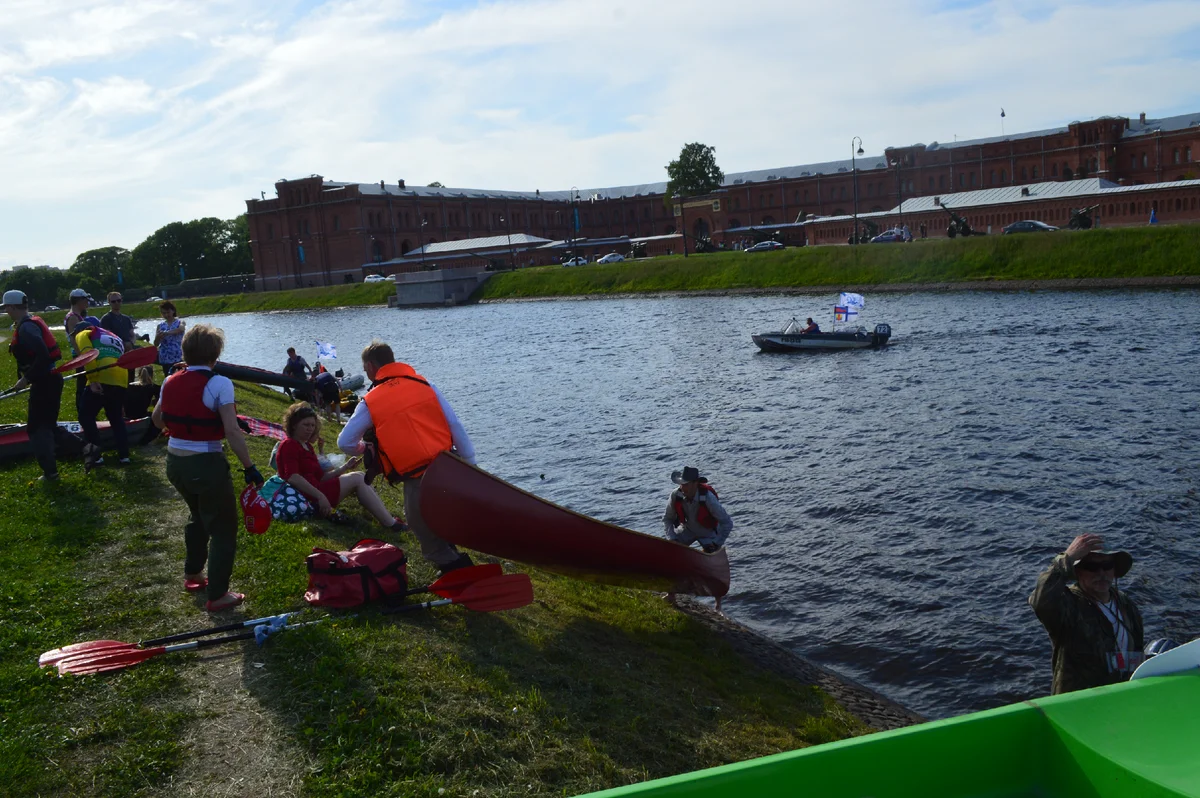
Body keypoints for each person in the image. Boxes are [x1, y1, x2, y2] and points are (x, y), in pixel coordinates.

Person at [152, 324, 263, 612]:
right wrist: (249, 466)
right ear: (216, 354)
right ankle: (218, 594)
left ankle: (192, 574)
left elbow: (157, 419)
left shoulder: (170, 380)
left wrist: (180, 430)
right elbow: (232, 431)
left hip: (175, 462)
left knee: (198, 516)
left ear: (185, 351)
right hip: (206, 463)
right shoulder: (220, 383)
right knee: (224, 528)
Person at [337, 341, 475, 574]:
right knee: (441, 521)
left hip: (417, 477)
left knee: (424, 533)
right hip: (447, 466)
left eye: (364, 368)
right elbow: (454, 423)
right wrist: (470, 464)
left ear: (371, 366)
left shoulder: (371, 400)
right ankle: (457, 563)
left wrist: (365, 449)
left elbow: (345, 442)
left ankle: (460, 573)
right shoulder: (424, 384)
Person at [1029, 534, 1144, 695]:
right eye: (1092, 567)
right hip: (1079, 703)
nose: (1101, 573)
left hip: (1121, 697)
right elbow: (1041, 600)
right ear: (1077, 572)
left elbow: (1136, 648)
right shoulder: (1069, 605)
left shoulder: (1125, 604)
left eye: (1107, 565)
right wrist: (1067, 558)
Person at [276, 402, 404, 529]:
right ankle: (390, 523)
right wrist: (320, 496)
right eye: (306, 425)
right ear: (293, 425)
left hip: (316, 491)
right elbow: (293, 477)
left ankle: (386, 517)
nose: (310, 429)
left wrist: (345, 467)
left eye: (312, 425)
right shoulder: (290, 445)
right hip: (307, 496)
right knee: (358, 478)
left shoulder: (307, 446)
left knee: (359, 475)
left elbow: (321, 477)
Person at [4, 290, 81, 480]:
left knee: (37, 429)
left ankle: (50, 473)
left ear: (12, 307)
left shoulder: (26, 328)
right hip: (48, 380)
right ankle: (88, 449)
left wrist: (26, 379)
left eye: (6, 308)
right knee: (49, 426)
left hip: (46, 381)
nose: (6, 311)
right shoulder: (28, 323)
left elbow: (43, 356)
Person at [73, 318, 131, 468]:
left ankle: (96, 456)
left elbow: (88, 354)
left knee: (85, 416)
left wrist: (92, 379)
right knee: (116, 418)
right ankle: (124, 456)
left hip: (101, 374)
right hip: (122, 377)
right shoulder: (113, 336)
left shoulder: (83, 333)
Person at [64, 288, 92, 415]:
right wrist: (83, 357)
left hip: (83, 354)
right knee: (82, 386)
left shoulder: (78, 316)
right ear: (78, 300)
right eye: (85, 299)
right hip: (80, 355)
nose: (87, 302)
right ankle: (83, 412)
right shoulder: (73, 318)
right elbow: (74, 338)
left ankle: (87, 411)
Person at [154, 301, 185, 372]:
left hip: (177, 356)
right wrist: (158, 337)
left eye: (168, 312)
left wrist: (166, 333)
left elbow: (181, 329)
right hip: (165, 357)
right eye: (163, 313)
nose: (166, 315)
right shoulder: (160, 326)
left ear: (173, 311)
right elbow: (156, 344)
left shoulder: (180, 322)